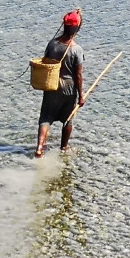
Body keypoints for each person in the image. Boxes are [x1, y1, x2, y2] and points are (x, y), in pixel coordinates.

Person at [35, 9, 85, 158]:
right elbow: (78, 75)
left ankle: (39, 148)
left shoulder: (52, 44)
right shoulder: (77, 50)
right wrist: (81, 95)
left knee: (45, 118)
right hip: (69, 89)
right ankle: (64, 148)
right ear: (77, 29)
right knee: (68, 120)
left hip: (52, 85)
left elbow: (45, 62)